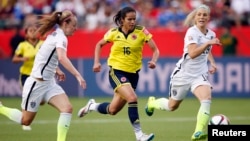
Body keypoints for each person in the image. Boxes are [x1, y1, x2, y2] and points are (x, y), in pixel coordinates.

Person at [0, 10, 86, 141]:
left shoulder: (55, 35)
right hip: (36, 84)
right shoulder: (59, 37)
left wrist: (56, 70)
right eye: (74, 25)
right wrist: (78, 75)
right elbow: (62, 58)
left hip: (49, 83)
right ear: (65, 23)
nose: (76, 28)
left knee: (67, 108)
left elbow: (44, 56)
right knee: (25, 121)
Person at [77, 6, 160, 141]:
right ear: (122, 20)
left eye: (134, 19)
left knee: (113, 110)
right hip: (117, 71)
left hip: (134, 74)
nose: (133, 22)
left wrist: (154, 61)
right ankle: (139, 135)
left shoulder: (142, 32)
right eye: (129, 19)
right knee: (132, 98)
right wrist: (96, 62)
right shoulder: (113, 33)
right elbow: (99, 44)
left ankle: (91, 106)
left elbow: (155, 50)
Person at [144, 4, 221, 141]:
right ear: (195, 17)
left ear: (208, 17)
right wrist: (208, 43)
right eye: (199, 14)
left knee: (206, 99)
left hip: (199, 74)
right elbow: (192, 53)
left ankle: (197, 132)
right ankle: (152, 103)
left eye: (204, 15)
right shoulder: (192, 32)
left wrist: (212, 62)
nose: (202, 17)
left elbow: (206, 51)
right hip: (183, 74)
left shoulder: (211, 34)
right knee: (172, 106)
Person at [11, 24, 44, 131]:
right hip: (26, 75)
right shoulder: (23, 45)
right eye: (30, 30)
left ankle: (26, 117)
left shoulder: (42, 44)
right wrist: (22, 59)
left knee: (42, 101)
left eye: (35, 30)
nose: (33, 32)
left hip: (39, 76)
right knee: (27, 97)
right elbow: (14, 59)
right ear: (26, 33)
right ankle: (25, 122)